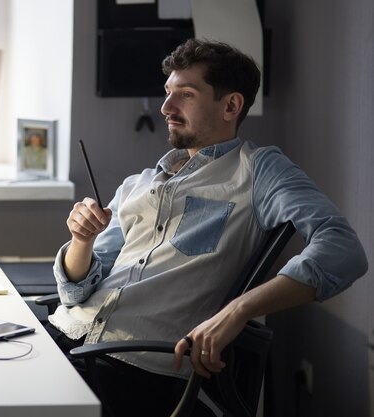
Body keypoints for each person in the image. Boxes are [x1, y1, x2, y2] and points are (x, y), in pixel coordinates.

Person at [46, 39, 368, 417]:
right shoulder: (138, 184)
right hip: (64, 339)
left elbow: (342, 250)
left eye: (185, 95)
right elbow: (76, 290)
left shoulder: (257, 170)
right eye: (168, 93)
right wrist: (81, 241)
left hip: (132, 369)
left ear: (231, 105)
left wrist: (238, 310)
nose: (166, 107)